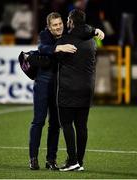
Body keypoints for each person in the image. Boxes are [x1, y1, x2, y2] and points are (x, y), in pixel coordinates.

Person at [29, 12, 104, 170]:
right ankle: (33, 158)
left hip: (59, 87)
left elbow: (82, 28)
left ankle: (51, 160)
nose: (58, 27)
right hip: (43, 84)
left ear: (65, 23)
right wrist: (58, 47)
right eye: (54, 25)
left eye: (60, 24)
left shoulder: (67, 35)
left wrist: (95, 29)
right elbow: (42, 47)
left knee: (55, 124)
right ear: (49, 27)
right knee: (38, 121)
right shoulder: (45, 35)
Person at [55, 9, 97, 171]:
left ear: (71, 21)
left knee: (66, 124)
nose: (66, 23)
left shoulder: (65, 40)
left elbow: (54, 58)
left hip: (68, 89)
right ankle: (79, 161)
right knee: (82, 126)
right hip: (86, 88)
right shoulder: (92, 40)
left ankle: (72, 161)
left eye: (67, 20)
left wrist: (57, 48)